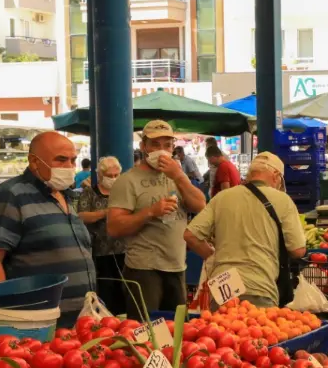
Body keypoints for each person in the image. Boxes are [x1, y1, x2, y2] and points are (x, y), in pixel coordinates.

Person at [0, 132, 97, 326]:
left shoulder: (66, 196)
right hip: (37, 321)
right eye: (61, 160)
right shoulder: (11, 194)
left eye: (73, 160)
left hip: (81, 319)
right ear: (34, 161)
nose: (69, 167)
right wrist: (8, 317)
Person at [107, 120, 207, 320]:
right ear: (143, 146)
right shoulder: (127, 181)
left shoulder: (177, 176)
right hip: (144, 269)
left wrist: (179, 175)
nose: (161, 150)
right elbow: (114, 228)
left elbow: (200, 205)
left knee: (177, 333)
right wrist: (150, 212)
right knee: (145, 332)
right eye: (155, 144)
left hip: (177, 266)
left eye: (167, 145)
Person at [185, 152, 306, 308]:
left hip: (223, 286)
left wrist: (211, 255)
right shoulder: (282, 199)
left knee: (222, 329)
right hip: (259, 286)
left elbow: (190, 235)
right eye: (281, 182)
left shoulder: (222, 197)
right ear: (276, 175)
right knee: (254, 329)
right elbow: (297, 250)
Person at [77, 157, 129, 316]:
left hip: (124, 250)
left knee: (125, 290)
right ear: (100, 175)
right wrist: (104, 213)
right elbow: (81, 215)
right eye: (110, 175)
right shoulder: (89, 192)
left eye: (116, 175)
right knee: (105, 289)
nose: (113, 179)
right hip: (100, 251)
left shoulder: (124, 192)